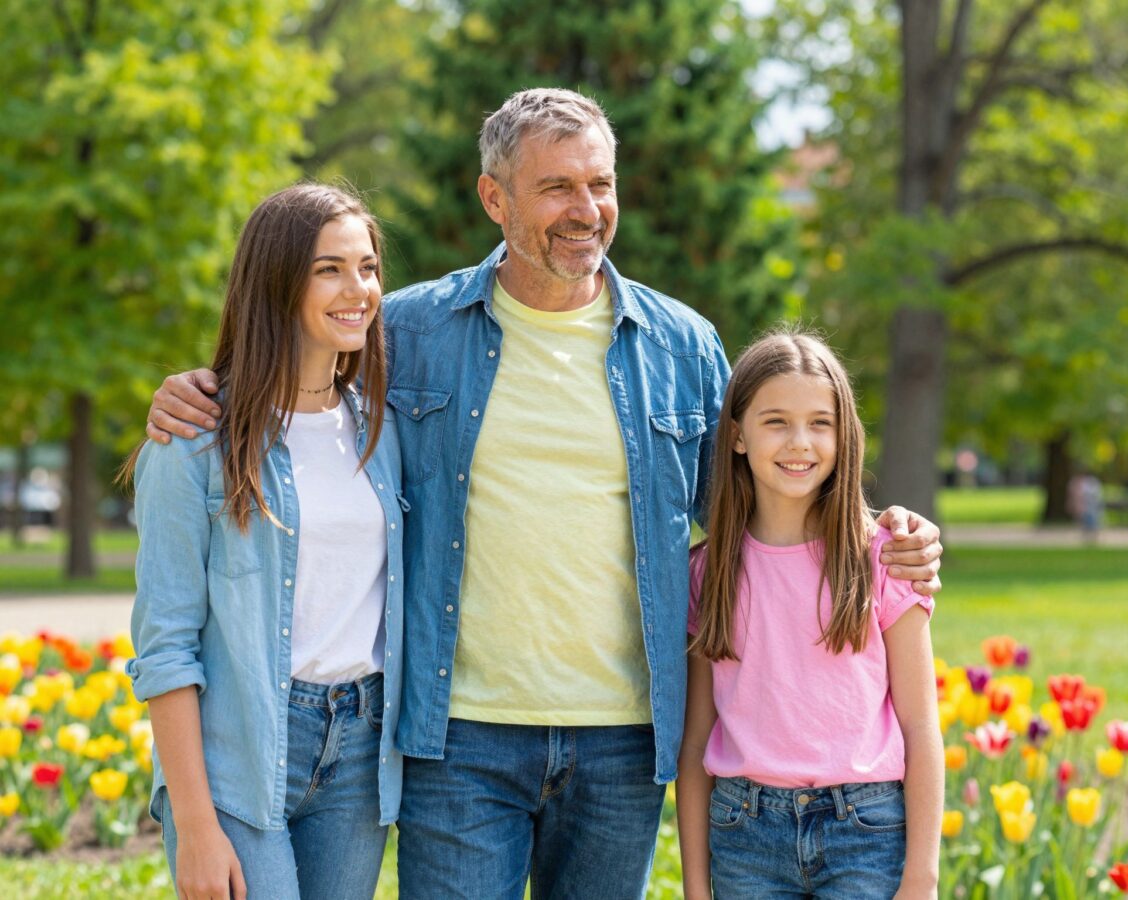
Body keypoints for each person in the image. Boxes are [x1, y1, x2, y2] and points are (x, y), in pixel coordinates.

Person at [143, 89, 943, 898]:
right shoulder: (410, 332)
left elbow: (760, 496)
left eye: (600, 184)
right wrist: (203, 389)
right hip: (460, 741)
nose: (586, 209)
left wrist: (884, 534)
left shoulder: (680, 345)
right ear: (495, 198)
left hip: (621, 743)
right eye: (557, 186)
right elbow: (303, 371)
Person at [124, 184, 404, 900]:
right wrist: (193, 823)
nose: (359, 289)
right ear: (276, 281)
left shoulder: (385, 427)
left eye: (368, 267)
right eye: (329, 269)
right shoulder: (192, 446)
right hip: (242, 753)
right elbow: (165, 648)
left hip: (359, 748)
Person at [677, 330, 942, 899]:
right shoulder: (707, 573)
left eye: (820, 423)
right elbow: (697, 739)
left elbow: (922, 729)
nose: (800, 442)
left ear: (844, 437)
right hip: (743, 834)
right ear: (737, 436)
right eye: (776, 421)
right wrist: (696, 888)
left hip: (866, 834)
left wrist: (922, 877)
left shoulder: (886, 560)